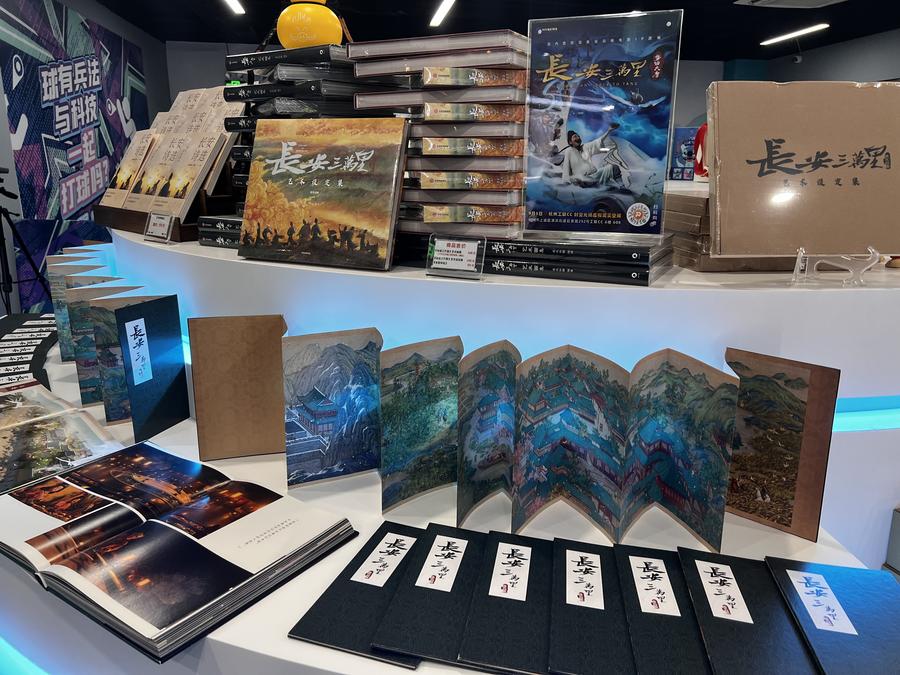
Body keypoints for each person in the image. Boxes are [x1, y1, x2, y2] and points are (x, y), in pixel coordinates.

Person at [560, 123, 630, 188]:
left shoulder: (585, 147)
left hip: (594, 176)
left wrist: (608, 131)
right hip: (582, 180)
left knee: (614, 168)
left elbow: (597, 142)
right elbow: (566, 167)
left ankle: (622, 188)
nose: (578, 138)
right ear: (570, 142)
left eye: (578, 136)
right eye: (575, 137)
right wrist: (566, 182)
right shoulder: (569, 151)